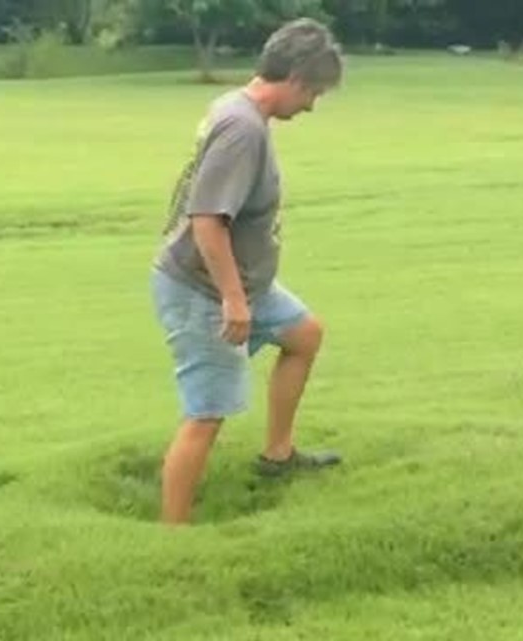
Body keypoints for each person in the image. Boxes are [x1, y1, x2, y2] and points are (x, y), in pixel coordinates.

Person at [149, 18, 345, 526]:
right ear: (297, 79)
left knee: (304, 334)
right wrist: (234, 301)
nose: (312, 105)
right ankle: (172, 532)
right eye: (314, 92)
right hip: (204, 290)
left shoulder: (240, 112)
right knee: (206, 414)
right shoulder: (242, 129)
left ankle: (278, 456)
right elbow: (207, 221)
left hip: (245, 282)